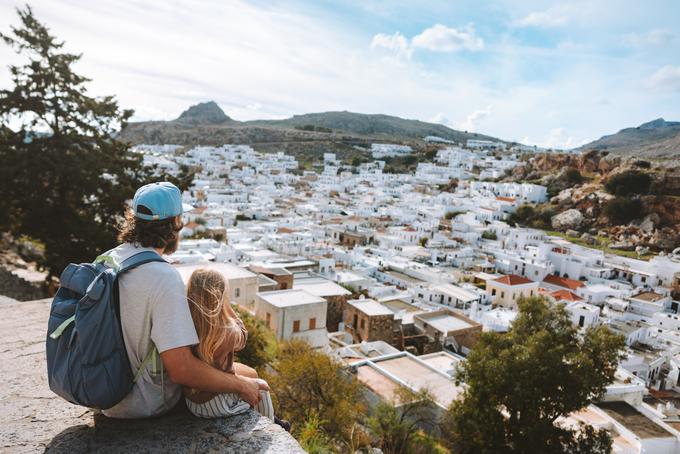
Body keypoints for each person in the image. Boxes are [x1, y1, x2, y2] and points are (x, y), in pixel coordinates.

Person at [102, 182, 266, 419]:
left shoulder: (109, 259)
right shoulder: (163, 278)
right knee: (251, 379)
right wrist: (242, 386)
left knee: (246, 374)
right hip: (143, 401)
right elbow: (181, 369)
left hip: (107, 392)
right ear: (174, 226)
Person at [184, 268, 276, 420]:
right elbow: (243, 336)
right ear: (220, 297)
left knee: (250, 376)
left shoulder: (186, 325)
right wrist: (227, 308)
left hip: (194, 402)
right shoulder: (227, 332)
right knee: (262, 387)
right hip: (217, 402)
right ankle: (271, 423)